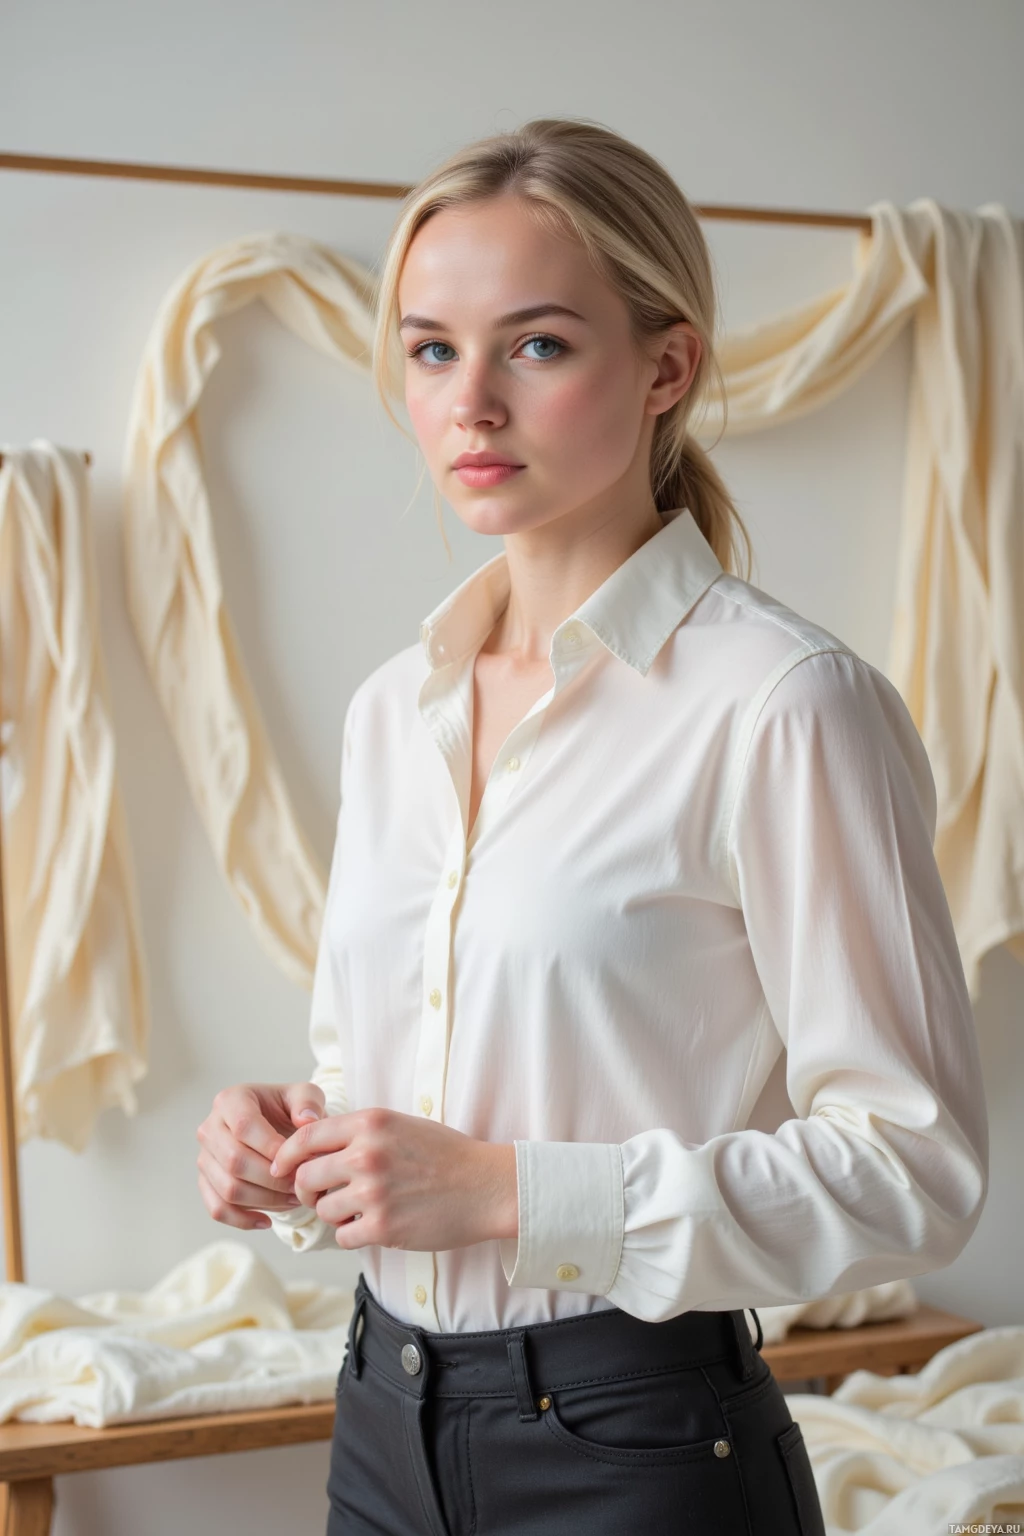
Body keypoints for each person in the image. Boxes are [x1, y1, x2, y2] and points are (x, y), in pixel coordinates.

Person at [196, 117, 989, 1535]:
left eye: (538, 345)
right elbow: (398, 1069)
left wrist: (509, 1193)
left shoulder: (786, 705)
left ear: (667, 366)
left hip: (636, 1441)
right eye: (433, 348)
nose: (471, 404)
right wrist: (296, 1151)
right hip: (379, 1416)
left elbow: (912, 1172)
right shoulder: (397, 709)